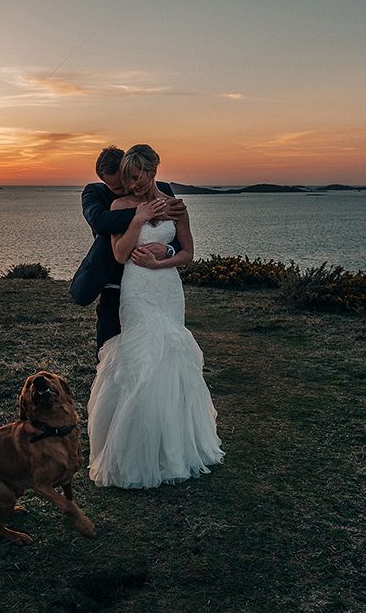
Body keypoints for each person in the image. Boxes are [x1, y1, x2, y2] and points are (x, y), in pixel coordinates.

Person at [86, 144, 224, 488]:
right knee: (140, 358)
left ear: (152, 172)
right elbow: (119, 254)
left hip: (166, 289)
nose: (130, 185)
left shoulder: (175, 206)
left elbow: (188, 253)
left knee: (171, 358)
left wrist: (163, 257)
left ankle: (171, 449)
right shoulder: (120, 206)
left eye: (136, 178)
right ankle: (133, 451)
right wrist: (140, 217)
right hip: (136, 291)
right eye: (126, 179)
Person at [70, 145, 186, 355]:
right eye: (117, 188)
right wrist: (146, 213)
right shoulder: (94, 192)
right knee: (110, 352)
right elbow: (99, 222)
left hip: (158, 284)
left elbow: (177, 238)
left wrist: (167, 250)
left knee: (161, 350)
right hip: (114, 280)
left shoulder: (164, 191)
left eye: (129, 180)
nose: (129, 188)